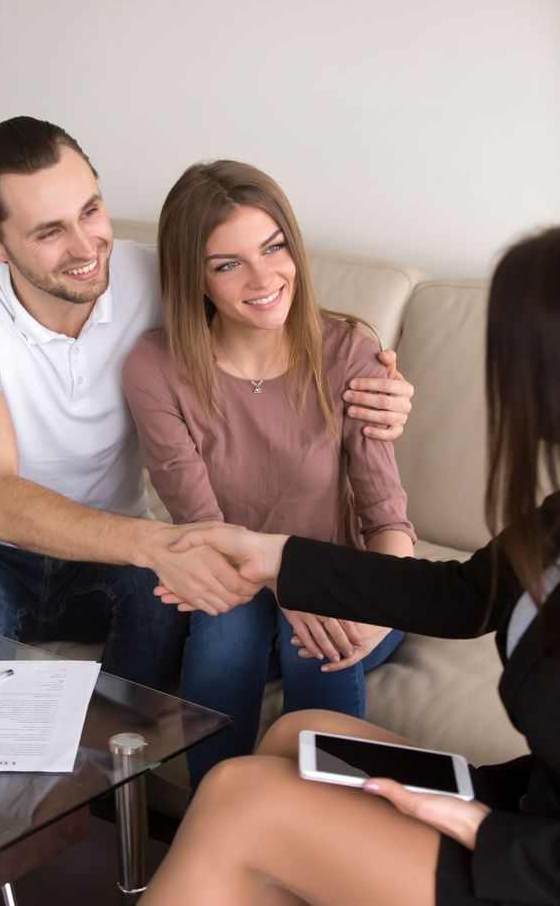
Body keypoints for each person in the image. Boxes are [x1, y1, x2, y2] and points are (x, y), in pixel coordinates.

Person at [141, 226, 560, 905]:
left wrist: (491, 832)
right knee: (297, 734)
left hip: (535, 866)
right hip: (530, 807)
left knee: (237, 800)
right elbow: (463, 595)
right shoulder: (557, 516)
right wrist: (275, 556)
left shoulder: (341, 353)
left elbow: (387, 515)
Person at [0, 116, 412, 688]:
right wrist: (160, 545)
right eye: (48, 232)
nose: (85, 247)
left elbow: (270, 307)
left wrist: (379, 384)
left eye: (90, 211)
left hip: (114, 555)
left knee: (173, 617)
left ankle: (120, 766)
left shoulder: (157, 275)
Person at [122, 160, 415, 786]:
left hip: (347, 588)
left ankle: (326, 832)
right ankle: (215, 829)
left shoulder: (348, 353)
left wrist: (375, 608)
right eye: (228, 264)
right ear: (192, 276)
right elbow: (203, 530)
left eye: (274, 247)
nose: (263, 279)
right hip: (235, 581)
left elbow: (389, 522)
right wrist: (291, 582)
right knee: (226, 628)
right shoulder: (157, 366)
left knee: (316, 641)